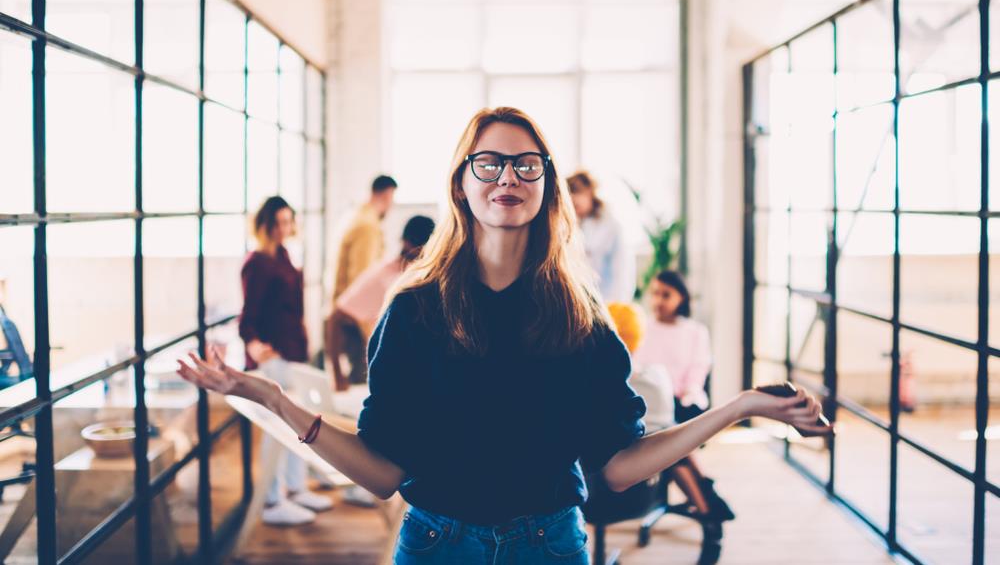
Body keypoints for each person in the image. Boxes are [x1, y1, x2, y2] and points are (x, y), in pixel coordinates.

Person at [179, 107, 831, 564]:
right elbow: (382, 475)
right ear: (461, 185)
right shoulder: (413, 312)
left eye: (526, 165)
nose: (507, 178)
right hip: (436, 547)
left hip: (550, 547)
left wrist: (739, 406)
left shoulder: (582, 318)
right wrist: (269, 395)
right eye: (487, 163)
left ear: (547, 187)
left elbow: (620, 466)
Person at [607, 302, 734, 565]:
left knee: (675, 445)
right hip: (638, 479)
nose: (658, 300)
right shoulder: (652, 377)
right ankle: (708, 504)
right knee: (675, 447)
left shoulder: (600, 383)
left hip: (604, 487)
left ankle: (708, 504)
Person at [239, 196, 334, 526]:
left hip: (293, 355)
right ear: (265, 224)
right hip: (275, 359)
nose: (284, 228)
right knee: (277, 430)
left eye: (288, 221)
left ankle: (295, 488)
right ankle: (271, 500)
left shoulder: (282, 256)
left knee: (298, 425)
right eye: (278, 222)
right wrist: (254, 345)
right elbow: (247, 317)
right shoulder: (258, 262)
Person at [327, 215, 435, 389]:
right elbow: (335, 317)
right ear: (409, 244)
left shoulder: (428, 276)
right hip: (381, 370)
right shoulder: (385, 276)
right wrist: (337, 374)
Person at [327, 175, 397, 388]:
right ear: (386, 195)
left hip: (344, 315)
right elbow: (361, 280)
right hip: (354, 323)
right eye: (392, 200)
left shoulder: (354, 217)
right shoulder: (367, 226)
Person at [635, 270, 713, 424]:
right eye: (655, 294)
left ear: (681, 297)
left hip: (681, 399)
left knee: (693, 413)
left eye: (666, 295)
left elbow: (698, 371)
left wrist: (688, 393)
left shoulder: (696, 332)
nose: (658, 301)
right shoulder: (641, 327)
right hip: (647, 398)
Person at [567, 170, 635, 303]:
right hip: (578, 302)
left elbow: (623, 271)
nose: (573, 198)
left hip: (608, 301)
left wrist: (618, 303)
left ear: (591, 193)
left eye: (578, 191)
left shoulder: (611, 226)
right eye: (569, 192)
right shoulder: (565, 226)